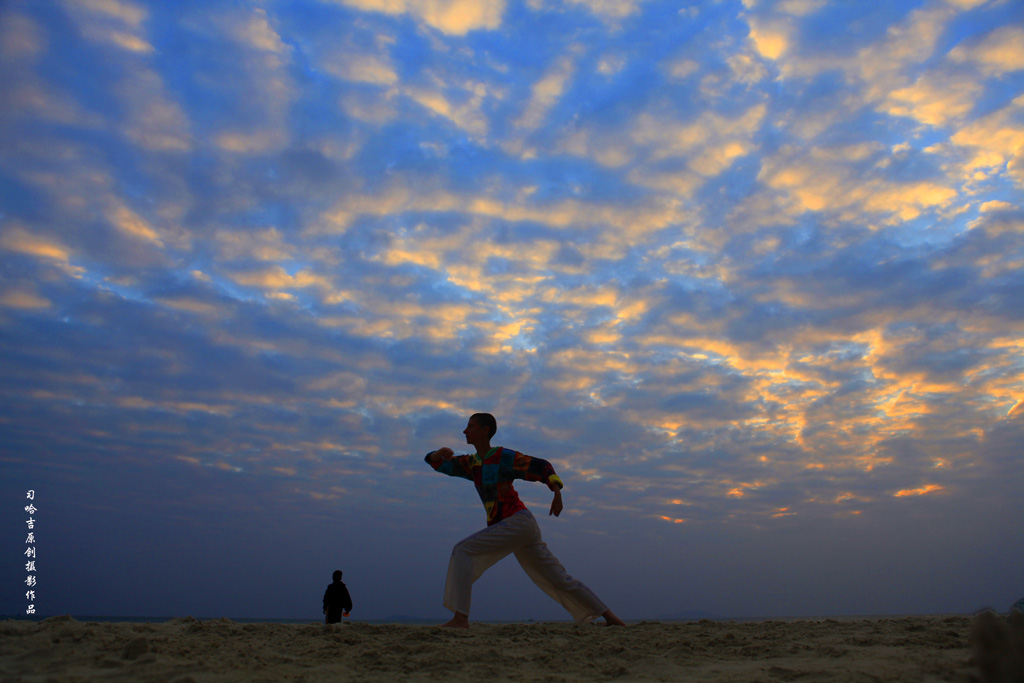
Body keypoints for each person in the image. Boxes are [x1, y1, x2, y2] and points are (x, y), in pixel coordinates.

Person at [424, 412, 625, 628]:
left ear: (485, 431)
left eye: (470, 426)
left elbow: (540, 466)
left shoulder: (502, 457)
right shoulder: (472, 463)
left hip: (517, 523)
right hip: (518, 528)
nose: (465, 431)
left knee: (463, 550)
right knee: (557, 578)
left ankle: (460, 618)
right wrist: (437, 454)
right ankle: (613, 619)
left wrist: (556, 491)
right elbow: (439, 464)